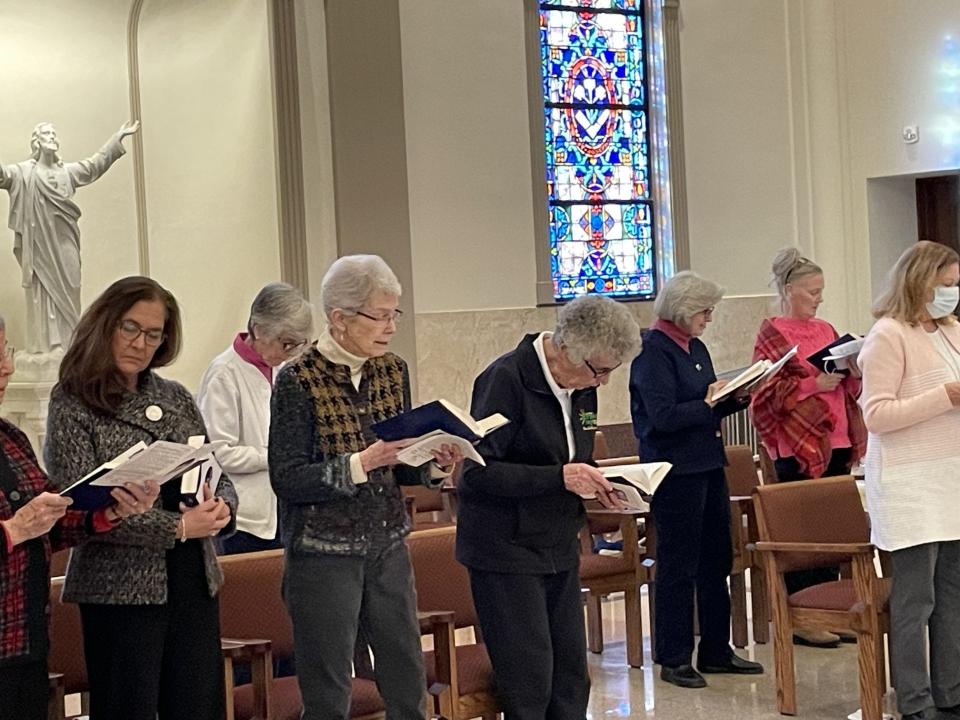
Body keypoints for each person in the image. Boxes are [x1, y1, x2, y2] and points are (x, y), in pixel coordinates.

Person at [269, 254, 461, 720]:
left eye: (395, 314)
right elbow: (288, 477)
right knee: (330, 681)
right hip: (322, 552)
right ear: (339, 317)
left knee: (405, 669)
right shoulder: (297, 378)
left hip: (387, 544)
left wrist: (434, 464)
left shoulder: (392, 370)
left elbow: (403, 464)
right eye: (380, 315)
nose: (391, 326)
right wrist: (359, 463)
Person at [44, 276, 238, 720]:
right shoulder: (73, 401)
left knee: (196, 705)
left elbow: (213, 469)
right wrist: (177, 527)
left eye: (154, 334)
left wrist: (223, 508)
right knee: (128, 707)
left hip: (191, 578)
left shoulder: (175, 397)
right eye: (131, 328)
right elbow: (77, 503)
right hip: (119, 589)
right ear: (106, 324)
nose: (141, 343)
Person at [456, 294, 639, 719]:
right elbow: (477, 474)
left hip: (557, 543)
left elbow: (578, 457)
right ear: (567, 350)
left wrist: (601, 486)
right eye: (600, 370)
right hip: (505, 551)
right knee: (529, 681)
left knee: (571, 678)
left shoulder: (582, 388)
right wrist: (559, 478)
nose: (603, 382)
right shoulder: (506, 379)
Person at [0, 314, 158, 720]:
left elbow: (50, 521)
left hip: (24, 642)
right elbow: (22, 528)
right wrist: (14, 529)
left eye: (7, 351)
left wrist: (110, 509)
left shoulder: (11, 438)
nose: (8, 366)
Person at [629, 270, 763, 689]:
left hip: (706, 463)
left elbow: (705, 405)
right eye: (705, 311)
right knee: (678, 563)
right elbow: (663, 417)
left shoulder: (696, 347)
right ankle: (673, 656)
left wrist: (732, 397)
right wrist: (707, 403)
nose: (709, 318)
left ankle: (716, 650)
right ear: (683, 311)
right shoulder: (652, 353)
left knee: (716, 558)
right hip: (673, 470)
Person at [859, 241, 960, 720]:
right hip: (910, 486)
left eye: (956, 286)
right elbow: (877, 415)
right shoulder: (888, 335)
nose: (952, 295)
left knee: (952, 597)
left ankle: (951, 690)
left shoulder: (951, 331)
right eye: (946, 285)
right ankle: (914, 699)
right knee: (915, 599)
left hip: (951, 482)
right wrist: (944, 396)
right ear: (919, 282)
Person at [750, 248, 867, 647]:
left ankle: (832, 610)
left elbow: (845, 379)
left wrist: (851, 373)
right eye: (811, 292)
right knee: (802, 532)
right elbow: (763, 394)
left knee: (832, 529)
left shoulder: (826, 328)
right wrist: (810, 385)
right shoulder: (772, 332)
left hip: (834, 434)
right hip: (796, 441)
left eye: (821, 292)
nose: (818, 299)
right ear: (788, 290)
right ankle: (802, 614)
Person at [0, 121, 140, 353]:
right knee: (42, 291)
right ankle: (47, 347)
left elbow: (94, 166)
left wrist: (117, 139)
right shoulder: (24, 173)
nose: (52, 136)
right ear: (36, 141)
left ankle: (70, 345)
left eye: (54, 133)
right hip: (39, 246)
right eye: (46, 133)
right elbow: (3, 176)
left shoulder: (67, 172)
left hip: (65, 240)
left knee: (71, 286)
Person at [197, 281, 313, 555]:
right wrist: (275, 457)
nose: (292, 354)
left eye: (299, 345)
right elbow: (217, 452)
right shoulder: (224, 373)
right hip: (245, 519)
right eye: (286, 344)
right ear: (258, 330)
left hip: (288, 510)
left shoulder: (287, 370)